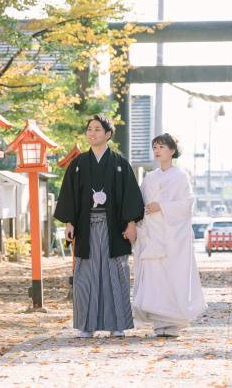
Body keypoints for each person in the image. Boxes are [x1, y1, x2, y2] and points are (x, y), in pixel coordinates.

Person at [54, 114, 145, 338]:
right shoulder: (77, 164)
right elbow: (70, 196)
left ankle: (118, 325)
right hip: (86, 227)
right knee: (86, 274)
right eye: (89, 129)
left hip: (114, 228)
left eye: (97, 129)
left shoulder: (120, 163)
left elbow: (130, 196)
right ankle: (87, 325)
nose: (92, 133)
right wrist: (69, 222)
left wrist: (131, 223)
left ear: (108, 134)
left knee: (116, 271)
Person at [133, 133, 207, 337]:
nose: (157, 150)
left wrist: (162, 206)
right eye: (155, 146)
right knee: (155, 278)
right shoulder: (149, 178)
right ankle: (160, 322)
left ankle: (172, 323)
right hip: (152, 234)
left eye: (162, 147)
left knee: (172, 276)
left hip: (173, 236)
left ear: (172, 151)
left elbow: (187, 204)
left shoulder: (180, 176)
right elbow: (140, 204)